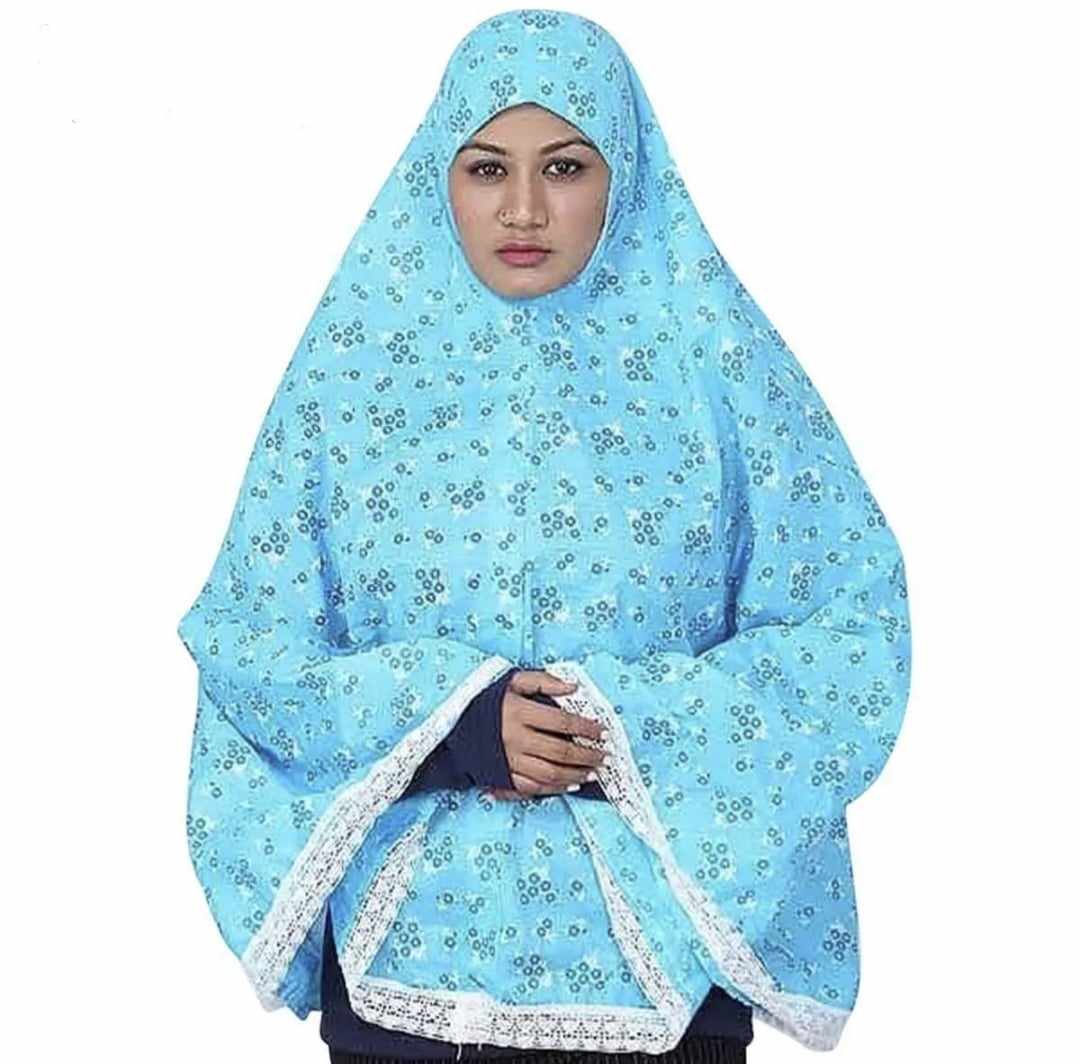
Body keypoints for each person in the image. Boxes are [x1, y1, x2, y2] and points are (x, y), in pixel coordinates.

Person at [177, 9, 912, 1064]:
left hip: (661, 984)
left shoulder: (722, 378)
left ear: (626, 174)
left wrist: (614, 726)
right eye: (487, 169)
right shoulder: (349, 386)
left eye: (565, 167)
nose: (522, 207)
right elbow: (248, 644)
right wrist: (455, 723)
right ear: (439, 176)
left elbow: (850, 641)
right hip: (404, 981)